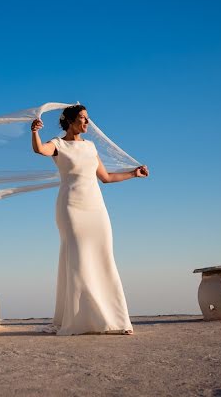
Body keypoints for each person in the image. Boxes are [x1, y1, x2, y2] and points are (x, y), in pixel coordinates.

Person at [31, 105, 148, 335]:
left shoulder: (91, 147)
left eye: (87, 119)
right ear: (71, 120)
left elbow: (106, 177)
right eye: (83, 118)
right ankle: (77, 320)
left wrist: (134, 173)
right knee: (78, 259)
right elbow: (39, 150)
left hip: (96, 209)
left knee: (104, 257)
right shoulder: (59, 144)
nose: (87, 123)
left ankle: (114, 319)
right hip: (71, 209)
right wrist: (34, 132)